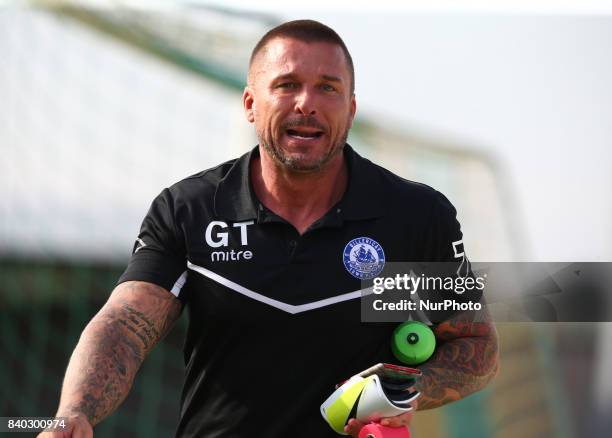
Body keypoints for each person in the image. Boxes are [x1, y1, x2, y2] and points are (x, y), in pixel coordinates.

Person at [40, 19, 499, 438]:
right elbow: (125, 324)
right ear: (250, 105)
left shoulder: (416, 215)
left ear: (351, 109)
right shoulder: (189, 208)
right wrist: (74, 412)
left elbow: (476, 347)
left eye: (328, 88)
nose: (307, 104)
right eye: (287, 85)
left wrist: (404, 388)